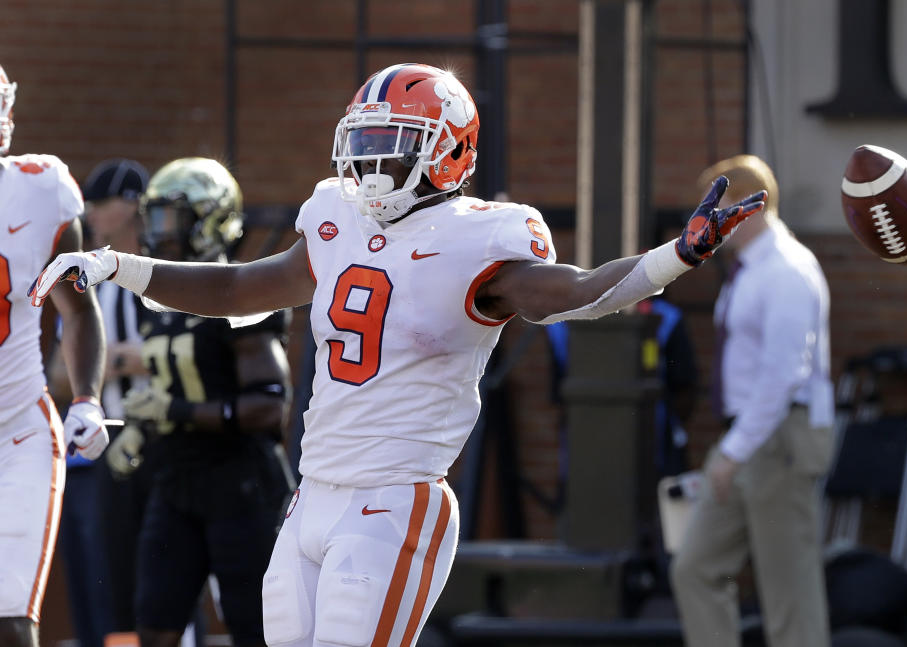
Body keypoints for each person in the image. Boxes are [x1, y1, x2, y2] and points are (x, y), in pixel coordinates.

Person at [31, 63, 765, 647]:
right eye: (367, 138)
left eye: (393, 142)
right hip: (312, 492)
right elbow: (245, 286)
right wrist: (115, 266)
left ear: (447, 152)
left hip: (394, 498)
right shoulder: (334, 216)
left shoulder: (483, 237)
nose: (372, 159)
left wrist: (676, 255)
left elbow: (573, 292)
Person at [106, 157, 295, 647]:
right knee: (155, 625)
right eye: (154, 220)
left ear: (212, 221)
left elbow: (269, 407)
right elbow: (182, 386)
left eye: (172, 219)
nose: (159, 233)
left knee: (256, 631)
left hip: (241, 487)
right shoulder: (160, 301)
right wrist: (144, 427)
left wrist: (175, 412)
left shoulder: (242, 295)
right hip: (175, 482)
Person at [668, 154, 834, 647]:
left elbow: (784, 375)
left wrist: (734, 452)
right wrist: (735, 449)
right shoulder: (753, 268)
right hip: (750, 436)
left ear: (750, 205)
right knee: (695, 569)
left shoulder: (785, 269)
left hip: (777, 436)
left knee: (790, 593)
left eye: (720, 207)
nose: (711, 221)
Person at [0, 63, 109, 647]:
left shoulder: (39, 192)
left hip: (15, 432)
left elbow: (77, 306)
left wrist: (88, 397)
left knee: (12, 626)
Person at [46, 158, 152, 647]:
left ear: (132, 207)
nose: (88, 213)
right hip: (94, 450)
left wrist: (126, 358)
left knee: (153, 580)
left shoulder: (166, 277)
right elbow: (56, 373)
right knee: (92, 575)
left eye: (100, 202)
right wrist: (116, 362)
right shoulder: (86, 280)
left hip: (155, 446)